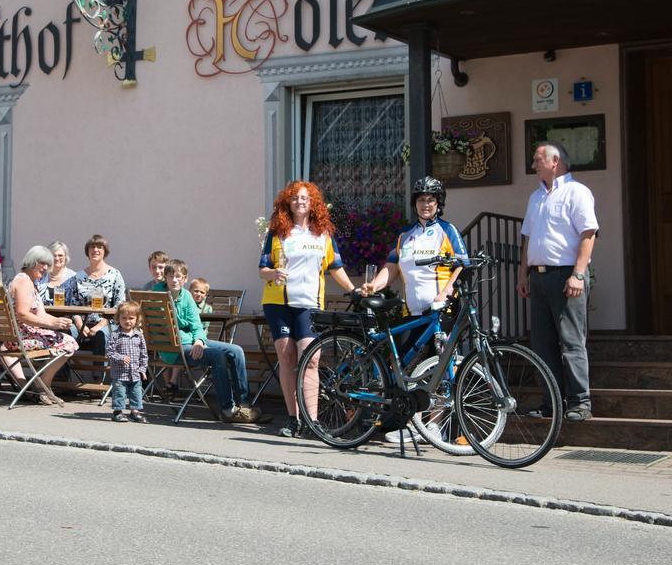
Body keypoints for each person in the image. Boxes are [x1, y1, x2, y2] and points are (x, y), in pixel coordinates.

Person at [362, 176, 467, 443]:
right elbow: (392, 268)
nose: (426, 204)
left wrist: (447, 291)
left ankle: (434, 427)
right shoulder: (405, 236)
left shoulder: (447, 230)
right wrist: (373, 286)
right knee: (409, 370)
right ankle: (411, 425)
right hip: (413, 313)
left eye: (431, 200)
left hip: (440, 311)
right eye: (421, 200)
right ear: (415, 203)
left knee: (439, 369)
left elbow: (461, 263)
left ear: (438, 203)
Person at [259, 180, 361, 439]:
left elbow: (335, 267)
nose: (299, 201)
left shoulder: (323, 233)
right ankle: (293, 419)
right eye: (294, 198)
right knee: (287, 357)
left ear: (313, 202)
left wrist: (352, 290)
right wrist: (272, 272)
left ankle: (312, 421)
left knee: (311, 358)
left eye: (304, 198)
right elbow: (262, 269)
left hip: (310, 303)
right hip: (278, 302)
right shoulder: (277, 232)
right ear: (287, 204)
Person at [518, 142, 598, 422]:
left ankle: (580, 402)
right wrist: (522, 274)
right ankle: (551, 402)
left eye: (537, 160)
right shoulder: (535, 198)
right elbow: (527, 239)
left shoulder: (577, 192)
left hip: (566, 276)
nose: (533, 165)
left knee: (571, 342)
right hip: (539, 277)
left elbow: (589, 234)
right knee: (542, 344)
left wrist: (578, 273)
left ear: (555, 162)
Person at [165, 258, 268, 424]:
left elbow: (197, 325)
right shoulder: (159, 296)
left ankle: (243, 404)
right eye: (170, 276)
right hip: (176, 349)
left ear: (185, 279)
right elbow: (174, 327)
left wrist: (199, 341)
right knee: (217, 355)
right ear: (165, 278)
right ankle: (228, 410)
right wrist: (194, 339)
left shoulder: (187, 297)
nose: (174, 280)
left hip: (191, 342)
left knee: (236, 350)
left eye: (178, 276)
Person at [5, 245, 79, 405]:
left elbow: (40, 314)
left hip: (19, 336)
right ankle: (42, 384)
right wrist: (52, 323)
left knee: (65, 338)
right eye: (42, 264)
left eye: (48, 265)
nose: (46, 268)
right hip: (20, 339)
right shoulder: (24, 282)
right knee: (69, 343)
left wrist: (57, 322)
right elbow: (23, 314)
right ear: (31, 262)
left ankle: (41, 384)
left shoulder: (28, 281)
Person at [70, 234, 127, 352]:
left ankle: (100, 370)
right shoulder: (78, 276)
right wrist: (80, 325)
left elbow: (119, 305)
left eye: (99, 247)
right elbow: (73, 305)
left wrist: (99, 326)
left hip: (106, 324)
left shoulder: (115, 274)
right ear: (87, 251)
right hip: (82, 324)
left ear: (105, 251)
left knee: (100, 335)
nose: (95, 250)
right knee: (66, 332)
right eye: (92, 247)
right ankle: (62, 370)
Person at [106, 301, 149, 423]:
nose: (127, 321)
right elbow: (109, 352)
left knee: (136, 393)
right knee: (120, 393)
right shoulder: (115, 335)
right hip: (120, 373)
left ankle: (135, 412)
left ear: (137, 319)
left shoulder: (139, 335)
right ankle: (117, 412)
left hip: (135, 372)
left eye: (131, 318)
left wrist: (142, 369)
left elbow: (144, 354)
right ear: (118, 318)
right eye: (124, 318)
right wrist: (120, 358)